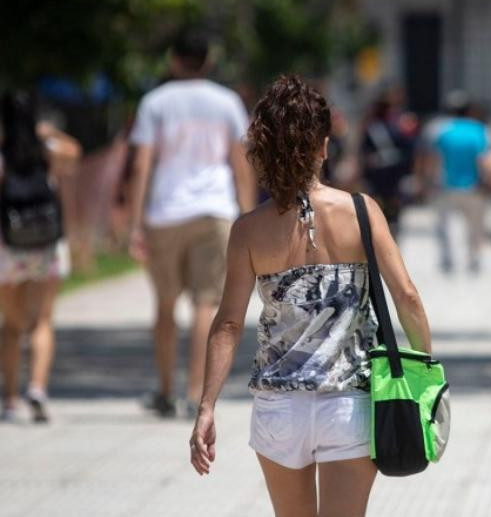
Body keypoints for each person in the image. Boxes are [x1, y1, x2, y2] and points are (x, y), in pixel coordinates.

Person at [189, 75, 432, 516]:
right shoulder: (361, 211)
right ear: (323, 146)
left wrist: (207, 406)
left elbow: (227, 323)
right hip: (348, 404)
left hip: (279, 408)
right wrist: (426, 375)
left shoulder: (248, 229)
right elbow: (407, 297)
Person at [128, 30, 256, 417]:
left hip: (165, 212)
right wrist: (246, 218)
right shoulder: (227, 102)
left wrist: (135, 223)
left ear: (173, 60)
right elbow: (240, 162)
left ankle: (165, 391)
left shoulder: (155, 102)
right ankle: (195, 393)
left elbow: (141, 163)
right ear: (209, 60)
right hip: (215, 209)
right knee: (207, 303)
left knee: (165, 305)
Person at [0, 91, 80, 423]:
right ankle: (37, 388)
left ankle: (11, 399)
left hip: (9, 248)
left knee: (11, 325)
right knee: (43, 320)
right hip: (47, 246)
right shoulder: (48, 152)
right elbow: (75, 152)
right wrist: (51, 133)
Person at [426, 90, 490, 274]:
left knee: (444, 225)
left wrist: (428, 180)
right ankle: (474, 259)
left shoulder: (440, 130)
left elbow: (434, 158)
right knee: (474, 226)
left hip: (445, 184)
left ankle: (447, 260)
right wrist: (486, 180)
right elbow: (483, 159)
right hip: (473, 185)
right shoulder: (479, 130)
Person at [359, 88, 418, 236]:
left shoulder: (370, 127)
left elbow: (363, 154)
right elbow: (409, 152)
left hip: (381, 176)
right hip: (393, 176)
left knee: (379, 210)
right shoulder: (399, 127)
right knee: (391, 210)